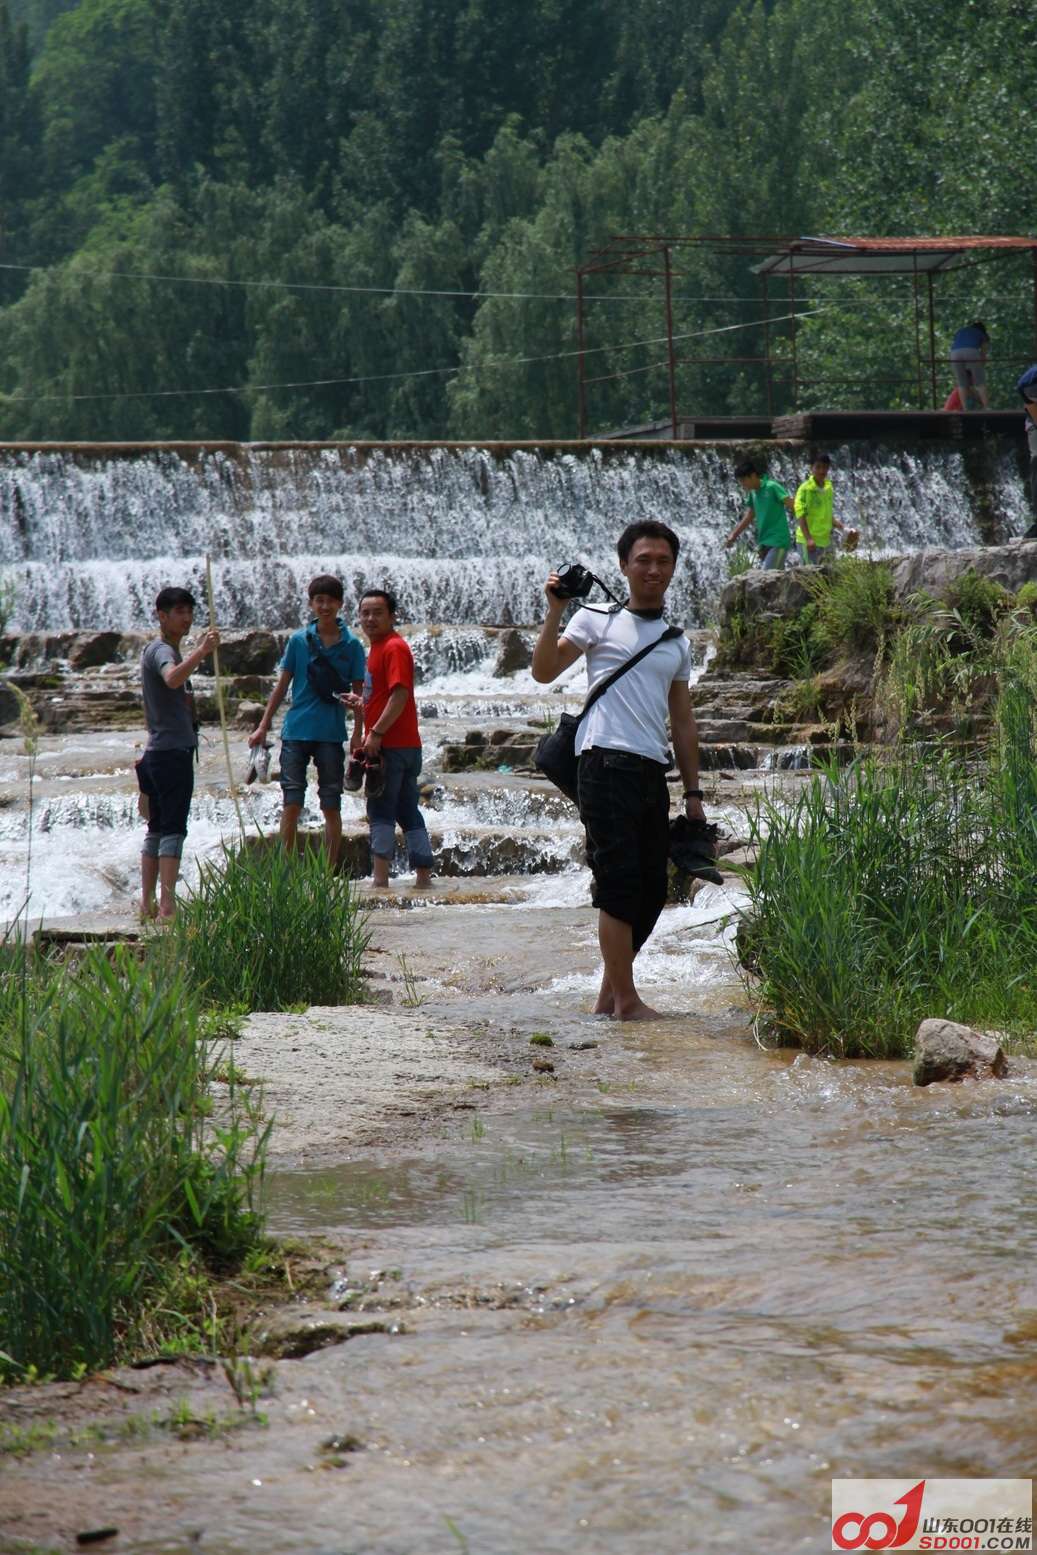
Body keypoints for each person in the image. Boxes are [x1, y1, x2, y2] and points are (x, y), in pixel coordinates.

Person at [531, 520, 704, 1022]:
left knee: (651, 888)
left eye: (663, 561)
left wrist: (693, 793)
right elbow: (544, 671)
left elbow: (684, 722)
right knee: (618, 881)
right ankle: (626, 1002)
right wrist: (554, 612)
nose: (653, 569)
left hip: (651, 769)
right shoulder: (596, 620)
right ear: (625, 566)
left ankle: (609, 997)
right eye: (643, 560)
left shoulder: (675, 642)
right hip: (602, 764)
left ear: (673, 568)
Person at [248, 575, 365, 861]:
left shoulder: (352, 646)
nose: (324, 606)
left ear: (339, 604)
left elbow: (360, 696)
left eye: (330, 601)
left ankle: (327, 874)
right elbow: (282, 685)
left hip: (331, 733)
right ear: (311, 604)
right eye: (319, 600)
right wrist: (263, 726)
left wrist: (358, 733)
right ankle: (286, 871)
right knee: (291, 803)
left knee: (331, 806)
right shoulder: (299, 641)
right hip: (295, 731)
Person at [137, 586, 219, 921]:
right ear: (162, 615)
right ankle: (167, 907)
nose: (186, 618)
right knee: (173, 828)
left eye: (189, 612)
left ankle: (147, 904)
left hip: (158, 751)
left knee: (156, 828)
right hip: (172, 753)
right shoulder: (161, 651)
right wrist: (201, 652)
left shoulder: (160, 649)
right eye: (179, 612)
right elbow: (171, 678)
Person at [351, 588, 434, 888]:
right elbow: (385, 694)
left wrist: (375, 733)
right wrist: (362, 706)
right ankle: (424, 877)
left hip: (393, 745)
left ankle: (380, 882)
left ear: (392, 616)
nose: (370, 618)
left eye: (378, 613)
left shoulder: (393, 647)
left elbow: (400, 695)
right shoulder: (378, 647)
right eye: (365, 613)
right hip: (402, 743)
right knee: (405, 808)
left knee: (380, 809)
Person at [724, 458, 804, 568]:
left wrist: (808, 526)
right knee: (775, 580)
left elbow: (793, 505)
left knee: (766, 576)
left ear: (752, 476)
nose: (742, 485)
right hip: (764, 542)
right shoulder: (752, 493)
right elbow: (750, 516)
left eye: (743, 481)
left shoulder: (771, 487)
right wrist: (734, 535)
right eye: (740, 482)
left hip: (778, 541)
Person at [793, 451, 846, 564]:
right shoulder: (804, 489)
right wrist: (809, 539)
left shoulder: (828, 488)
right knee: (809, 577)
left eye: (825, 467)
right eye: (818, 467)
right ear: (811, 468)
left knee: (828, 577)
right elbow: (800, 515)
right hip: (807, 541)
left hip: (825, 541)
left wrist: (840, 525)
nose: (822, 471)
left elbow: (826, 514)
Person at [949, 320, 990, 411]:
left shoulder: (961, 331)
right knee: (980, 382)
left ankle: (965, 408)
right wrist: (981, 366)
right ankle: (987, 407)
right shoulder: (982, 334)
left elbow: (956, 343)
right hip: (971, 351)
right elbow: (983, 352)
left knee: (961, 383)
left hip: (954, 353)